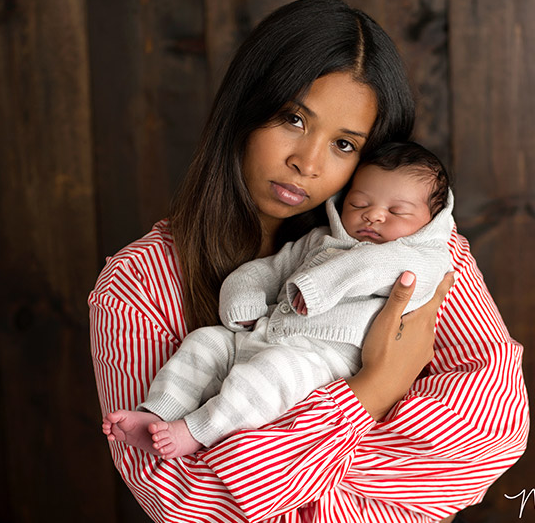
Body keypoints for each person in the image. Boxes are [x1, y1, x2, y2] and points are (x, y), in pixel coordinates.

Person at [89, 0, 528, 523]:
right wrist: (375, 389)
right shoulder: (138, 285)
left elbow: (496, 427)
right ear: (246, 109)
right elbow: (184, 505)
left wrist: (260, 468)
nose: (309, 163)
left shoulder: (416, 250)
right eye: (293, 119)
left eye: (344, 144)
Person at [102, 141, 455, 459]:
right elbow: (268, 270)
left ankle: (195, 430)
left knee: (264, 379)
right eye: (359, 203)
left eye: (397, 212)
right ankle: (160, 412)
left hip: (320, 363)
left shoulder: (423, 257)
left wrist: (316, 287)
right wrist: (243, 301)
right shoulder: (320, 240)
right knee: (204, 344)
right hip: (262, 334)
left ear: (430, 222)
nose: (373, 215)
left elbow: (371, 266)